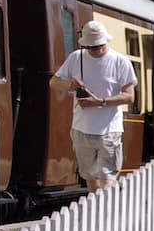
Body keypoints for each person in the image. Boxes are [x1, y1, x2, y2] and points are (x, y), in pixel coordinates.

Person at [48, 20, 137, 192]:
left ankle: (106, 213)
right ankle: (98, 213)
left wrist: (101, 102)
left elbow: (129, 96)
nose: (94, 50)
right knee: (90, 178)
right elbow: (54, 82)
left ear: (106, 42)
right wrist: (71, 85)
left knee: (107, 179)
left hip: (110, 130)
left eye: (98, 46)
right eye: (90, 47)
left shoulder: (120, 62)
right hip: (81, 129)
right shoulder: (76, 57)